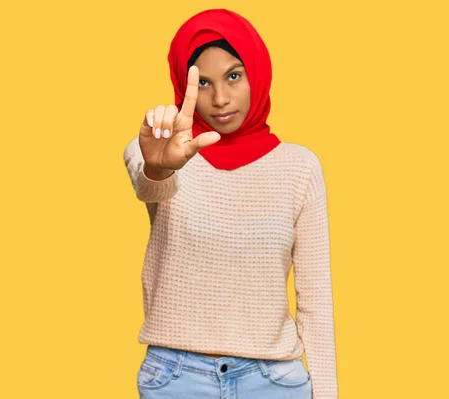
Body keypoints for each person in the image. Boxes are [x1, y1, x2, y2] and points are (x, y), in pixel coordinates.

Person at [123, 8, 338, 399]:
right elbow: (150, 186)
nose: (219, 99)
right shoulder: (160, 151)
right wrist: (158, 167)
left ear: (257, 72)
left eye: (234, 76)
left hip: (274, 381)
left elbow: (315, 299)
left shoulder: (299, 168)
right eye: (202, 82)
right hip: (175, 379)